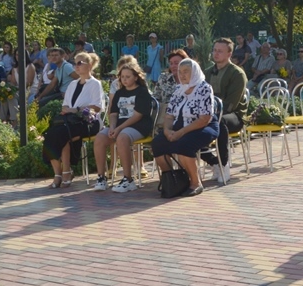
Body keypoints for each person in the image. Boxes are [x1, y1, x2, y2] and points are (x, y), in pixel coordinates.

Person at [153, 58, 219, 196]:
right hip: (179, 127)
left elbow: (204, 118)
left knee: (184, 145)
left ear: (194, 72)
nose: (182, 75)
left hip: (201, 126)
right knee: (158, 143)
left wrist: (180, 133)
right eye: (180, 72)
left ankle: (196, 183)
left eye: (186, 72)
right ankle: (173, 180)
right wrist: (167, 131)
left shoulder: (204, 88)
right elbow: (169, 115)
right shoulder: (178, 89)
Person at [44, 53, 104, 188]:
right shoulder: (72, 84)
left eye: (79, 63)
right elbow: (65, 105)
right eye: (74, 63)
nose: (76, 66)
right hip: (70, 120)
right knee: (50, 134)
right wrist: (68, 110)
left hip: (88, 121)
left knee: (64, 134)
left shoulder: (95, 84)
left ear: (88, 66)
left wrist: (76, 109)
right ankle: (58, 173)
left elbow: (97, 107)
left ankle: (66, 172)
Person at [92, 63, 154, 192]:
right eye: (122, 77)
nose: (124, 79)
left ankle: (128, 180)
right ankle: (101, 178)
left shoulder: (142, 92)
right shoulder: (119, 93)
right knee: (100, 138)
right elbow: (113, 113)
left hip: (139, 125)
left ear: (136, 77)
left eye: (128, 76)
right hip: (120, 126)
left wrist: (119, 129)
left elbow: (137, 116)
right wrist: (112, 127)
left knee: (122, 137)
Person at [203, 38, 247, 183]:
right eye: (214, 50)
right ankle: (214, 162)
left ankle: (224, 165)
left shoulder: (237, 74)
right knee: (187, 124)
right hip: (209, 114)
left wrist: (211, 116)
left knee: (219, 122)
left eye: (220, 51)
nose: (216, 54)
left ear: (229, 54)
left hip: (233, 116)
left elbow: (231, 104)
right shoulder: (207, 72)